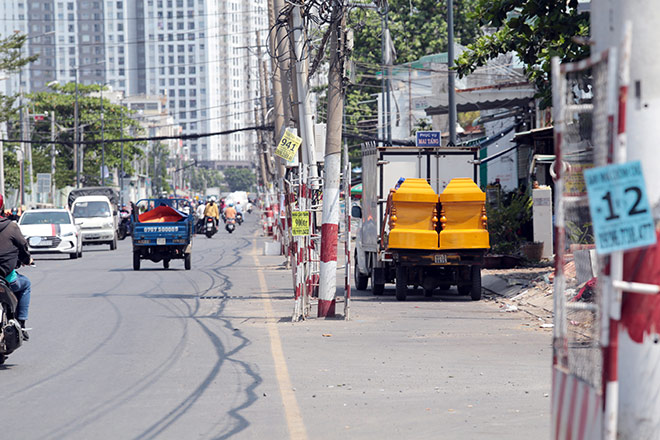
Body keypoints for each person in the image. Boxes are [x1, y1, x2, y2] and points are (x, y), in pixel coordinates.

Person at [0, 195, 32, 340]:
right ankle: (22, 322)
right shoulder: (11, 226)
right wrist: (27, 259)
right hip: (7, 279)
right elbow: (23, 246)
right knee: (26, 285)